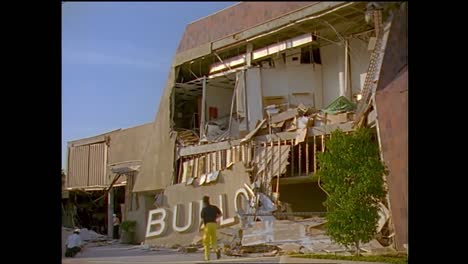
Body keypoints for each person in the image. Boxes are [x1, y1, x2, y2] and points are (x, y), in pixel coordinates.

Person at [199, 195, 222, 261]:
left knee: (206, 242)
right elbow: (220, 214)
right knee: (213, 240)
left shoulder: (204, 209)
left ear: (204, 202)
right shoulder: (214, 207)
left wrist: (199, 227)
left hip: (207, 225)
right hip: (214, 224)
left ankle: (207, 257)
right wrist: (215, 218)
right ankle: (216, 250)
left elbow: (202, 220)